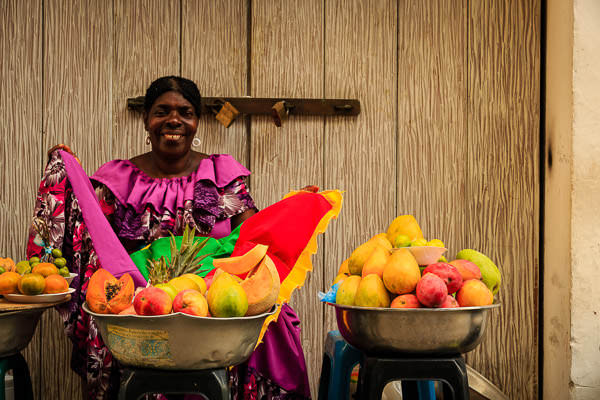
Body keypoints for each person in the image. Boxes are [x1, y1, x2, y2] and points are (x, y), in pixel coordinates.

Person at [27, 76, 312, 399]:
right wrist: (69, 174)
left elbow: (253, 239)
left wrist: (295, 208)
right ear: (147, 120)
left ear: (196, 122)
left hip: (212, 309)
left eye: (185, 112)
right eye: (162, 111)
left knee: (274, 320)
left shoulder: (222, 178)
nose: (173, 120)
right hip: (140, 313)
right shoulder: (117, 181)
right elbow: (92, 237)